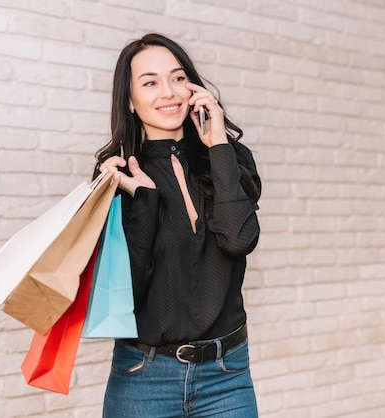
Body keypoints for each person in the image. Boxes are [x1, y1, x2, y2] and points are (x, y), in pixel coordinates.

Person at [93, 33, 262, 418]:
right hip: (143, 377)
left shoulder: (230, 159)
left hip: (228, 376)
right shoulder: (116, 176)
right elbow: (127, 292)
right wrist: (144, 200)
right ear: (130, 102)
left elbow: (239, 239)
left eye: (177, 77)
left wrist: (218, 144)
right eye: (150, 82)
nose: (168, 92)